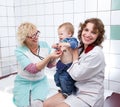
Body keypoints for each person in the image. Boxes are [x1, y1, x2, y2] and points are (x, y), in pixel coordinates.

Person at [43, 18, 105, 107]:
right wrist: (54, 56)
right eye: (86, 30)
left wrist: (75, 55)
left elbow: (76, 75)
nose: (88, 34)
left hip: (88, 97)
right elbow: (55, 64)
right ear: (82, 30)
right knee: (46, 104)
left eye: (93, 32)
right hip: (74, 90)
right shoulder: (80, 47)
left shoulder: (96, 54)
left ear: (98, 36)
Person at [12, 22, 62, 107]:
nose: (36, 37)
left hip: (40, 81)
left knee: (37, 103)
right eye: (31, 36)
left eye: (36, 33)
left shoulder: (44, 45)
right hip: (23, 82)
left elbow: (50, 65)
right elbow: (32, 69)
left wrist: (56, 55)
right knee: (23, 104)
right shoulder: (19, 51)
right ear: (24, 38)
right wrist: (49, 56)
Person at [52, 22, 78, 97]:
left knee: (65, 79)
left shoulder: (72, 40)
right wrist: (56, 46)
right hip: (61, 65)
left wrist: (65, 44)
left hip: (68, 66)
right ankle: (63, 89)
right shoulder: (61, 42)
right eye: (58, 34)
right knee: (56, 78)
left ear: (69, 34)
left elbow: (74, 45)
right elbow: (57, 46)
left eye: (61, 34)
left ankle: (68, 92)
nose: (59, 36)